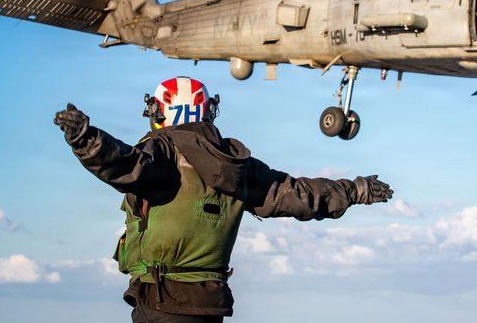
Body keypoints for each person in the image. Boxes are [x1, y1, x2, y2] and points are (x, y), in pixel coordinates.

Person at [53, 76, 393, 323]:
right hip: (209, 304)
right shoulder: (236, 164)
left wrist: (87, 140)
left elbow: (126, 165)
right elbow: (299, 195)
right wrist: (355, 189)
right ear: (207, 111)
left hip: (160, 301)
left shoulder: (163, 151)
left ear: (162, 112)